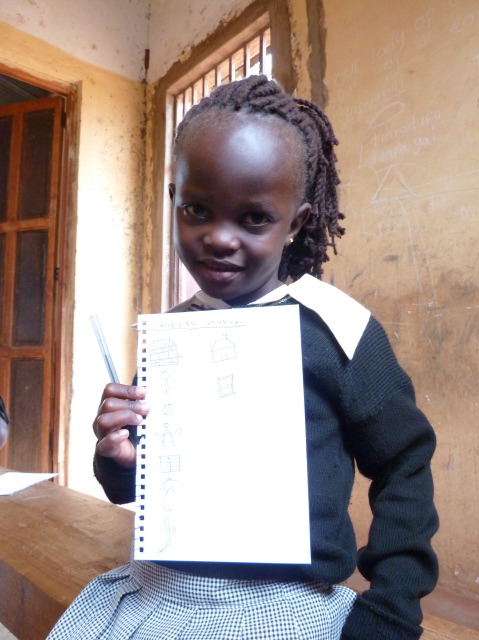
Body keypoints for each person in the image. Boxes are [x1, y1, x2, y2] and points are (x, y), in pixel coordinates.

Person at [48, 75, 438, 639]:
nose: (220, 238)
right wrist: (119, 457)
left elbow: (404, 465)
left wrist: (390, 611)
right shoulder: (172, 335)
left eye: (254, 218)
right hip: (156, 591)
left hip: (283, 608)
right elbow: (132, 492)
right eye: (197, 209)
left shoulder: (337, 329)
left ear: (296, 222)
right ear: (174, 201)